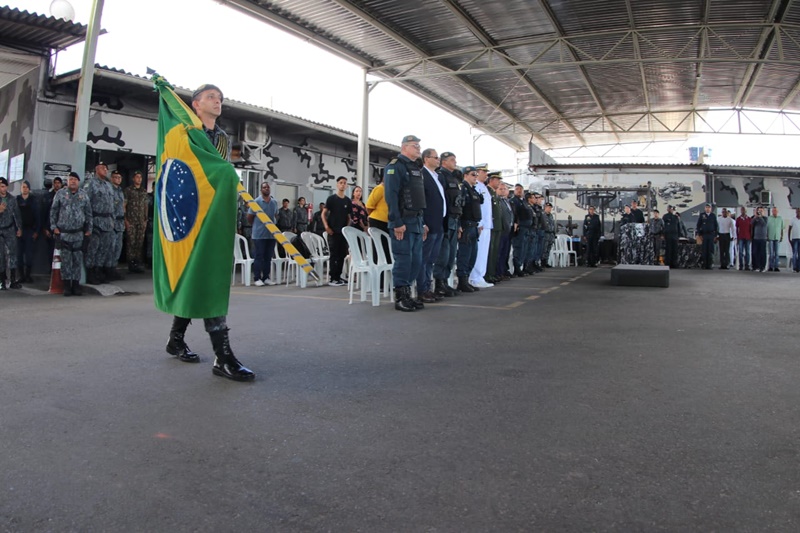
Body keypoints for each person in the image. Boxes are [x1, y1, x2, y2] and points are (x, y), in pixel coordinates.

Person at [162, 82, 254, 382]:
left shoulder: (222, 138)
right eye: (211, 97)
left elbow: (219, 173)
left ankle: (176, 339)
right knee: (205, 278)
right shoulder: (183, 132)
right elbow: (179, 172)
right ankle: (223, 356)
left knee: (199, 276)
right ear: (195, 104)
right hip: (190, 216)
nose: (218, 102)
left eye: (220, 98)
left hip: (214, 214)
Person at [384, 135, 425, 311]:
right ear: (404, 147)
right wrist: (397, 221)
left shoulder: (415, 168)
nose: (418, 148)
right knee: (403, 260)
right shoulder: (395, 167)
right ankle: (400, 297)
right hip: (403, 221)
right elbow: (391, 196)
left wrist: (422, 223)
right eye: (415, 146)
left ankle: (408, 294)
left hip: (416, 221)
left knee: (416, 260)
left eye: (419, 146)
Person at [50, 171, 92, 296]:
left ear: (78, 182)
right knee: (66, 261)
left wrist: (89, 229)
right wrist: (54, 227)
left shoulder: (84, 195)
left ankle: (76, 285)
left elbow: (89, 213)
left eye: (75, 179)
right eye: (71, 179)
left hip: (79, 233)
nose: (73, 181)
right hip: (64, 233)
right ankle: (67, 286)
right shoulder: (60, 194)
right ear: (67, 181)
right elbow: (53, 211)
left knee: (77, 260)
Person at [416, 148, 445, 304]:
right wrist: (423, 222)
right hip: (429, 224)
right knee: (424, 259)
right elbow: (421, 201)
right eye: (436, 157)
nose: (438, 159)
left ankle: (428, 288)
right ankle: (422, 290)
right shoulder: (422, 175)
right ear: (426, 159)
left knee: (431, 259)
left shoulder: (437, 177)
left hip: (439, 223)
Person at [432, 152, 461, 297]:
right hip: (446, 220)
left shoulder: (454, 177)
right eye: (452, 160)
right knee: (443, 254)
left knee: (451, 254)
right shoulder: (440, 176)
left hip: (455, 220)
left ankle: (445, 282)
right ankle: (439, 283)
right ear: (444, 162)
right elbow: (441, 200)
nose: (455, 162)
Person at [84, 162, 116, 285]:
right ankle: (90, 273)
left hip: (107, 221)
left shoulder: (108, 185)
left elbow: (112, 204)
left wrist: (112, 220)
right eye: (103, 168)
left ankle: (99, 271)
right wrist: (89, 223)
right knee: (93, 248)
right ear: (96, 170)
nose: (105, 170)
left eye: (106, 169)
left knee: (104, 248)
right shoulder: (90, 184)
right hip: (96, 220)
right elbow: (86, 205)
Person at [455, 166, 483, 293]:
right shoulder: (463, 188)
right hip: (466, 225)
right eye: (473, 174)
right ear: (465, 175)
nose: (475, 177)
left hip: (474, 225)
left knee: (472, 255)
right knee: (464, 255)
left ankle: (466, 279)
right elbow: (459, 207)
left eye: (476, 175)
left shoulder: (474, 190)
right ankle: (462, 281)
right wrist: (459, 224)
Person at [323, 176, 352, 286]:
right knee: (334, 254)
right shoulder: (331, 199)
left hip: (343, 232)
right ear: (337, 184)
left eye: (345, 183)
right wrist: (326, 227)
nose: (343, 185)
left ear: (347, 185)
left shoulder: (347, 201)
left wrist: (347, 229)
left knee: (342, 255)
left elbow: (349, 216)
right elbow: (323, 214)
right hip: (333, 231)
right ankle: (332, 278)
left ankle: (338, 276)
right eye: (341, 183)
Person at [247, 182, 278, 286]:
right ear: (261, 190)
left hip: (271, 234)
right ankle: (257, 278)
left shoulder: (274, 202)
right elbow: (250, 217)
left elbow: (275, 215)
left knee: (268, 257)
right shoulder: (256, 202)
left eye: (268, 187)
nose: (266, 189)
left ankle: (266, 277)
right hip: (259, 235)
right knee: (259, 256)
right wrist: (258, 226)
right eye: (264, 187)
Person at [469, 164, 493, 288]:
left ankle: (480, 276)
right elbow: (477, 207)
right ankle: (474, 278)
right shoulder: (476, 186)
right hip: (481, 225)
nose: (486, 174)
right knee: (478, 253)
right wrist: (480, 223)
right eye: (483, 172)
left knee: (484, 253)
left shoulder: (483, 187)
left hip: (487, 224)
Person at [124, 171, 148, 273]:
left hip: (141, 221)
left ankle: (138, 262)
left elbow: (145, 206)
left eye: (140, 177)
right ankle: (131, 263)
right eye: (137, 177)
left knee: (139, 242)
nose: (139, 179)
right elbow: (124, 205)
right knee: (131, 242)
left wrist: (145, 220)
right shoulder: (128, 190)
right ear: (133, 179)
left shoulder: (143, 191)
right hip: (131, 221)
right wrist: (125, 220)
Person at [15, 180, 40, 283]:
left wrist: (36, 231)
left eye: (26, 187)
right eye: (23, 187)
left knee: (29, 255)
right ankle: (21, 276)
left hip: (30, 231)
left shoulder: (33, 200)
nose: (24, 189)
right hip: (18, 231)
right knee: (19, 254)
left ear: (29, 189)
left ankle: (28, 275)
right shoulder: (17, 200)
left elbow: (38, 217)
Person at [0, 177, 22, 290]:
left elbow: (17, 214)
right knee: (1, 256)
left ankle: (13, 279)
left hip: (9, 229)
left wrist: (19, 228)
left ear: (6, 187)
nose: (1, 189)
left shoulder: (12, 199)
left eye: (3, 186)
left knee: (13, 253)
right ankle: (2, 281)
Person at [485, 171, 502, 283]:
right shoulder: (487, 191)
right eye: (497, 180)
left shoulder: (494, 193)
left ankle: (492, 273)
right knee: (490, 251)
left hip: (496, 226)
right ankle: (488, 274)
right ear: (491, 180)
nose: (499, 182)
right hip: (491, 225)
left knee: (495, 251)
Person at [41, 176, 63, 268]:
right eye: (55, 183)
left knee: (62, 252)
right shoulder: (48, 197)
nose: (57, 185)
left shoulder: (65, 196)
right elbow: (44, 214)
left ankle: (60, 271)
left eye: (58, 183)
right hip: (50, 228)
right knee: (51, 251)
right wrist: (45, 228)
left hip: (62, 228)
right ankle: (52, 270)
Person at [511, 189, 534, 276]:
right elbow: (514, 213)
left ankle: (522, 267)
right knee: (519, 248)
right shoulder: (514, 201)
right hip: (520, 228)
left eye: (521, 190)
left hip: (527, 229)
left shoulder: (523, 202)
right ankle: (517, 268)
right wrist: (516, 223)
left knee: (524, 249)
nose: (519, 191)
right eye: (517, 189)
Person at [495, 182, 514, 279]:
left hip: (508, 230)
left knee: (505, 253)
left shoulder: (507, 201)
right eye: (500, 189)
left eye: (504, 189)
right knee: (499, 252)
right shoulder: (497, 200)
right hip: (501, 230)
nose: (502, 191)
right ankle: (498, 272)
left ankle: (503, 271)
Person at [109, 170, 126, 280]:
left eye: (119, 177)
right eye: (115, 177)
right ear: (111, 178)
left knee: (118, 248)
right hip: (112, 221)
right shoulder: (109, 189)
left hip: (120, 222)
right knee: (111, 247)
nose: (117, 179)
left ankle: (114, 268)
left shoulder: (120, 191)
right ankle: (108, 269)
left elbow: (123, 205)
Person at [696, 203, 718, 270]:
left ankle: (710, 264)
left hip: (711, 235)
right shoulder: (702, 215)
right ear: (705, 208)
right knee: (704, 250)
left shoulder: (713, 216)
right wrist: (699, 235)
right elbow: (698, 225)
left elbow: (716, 226)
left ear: (711, 209)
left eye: (709, 207)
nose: (708, 209)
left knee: (710, 250)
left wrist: (715, 235)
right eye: (706, 207)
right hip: (704, 235)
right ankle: (704, 264)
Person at [767, 206, 784, 272]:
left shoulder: (780, 219)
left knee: (777, 253)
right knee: (771, 253)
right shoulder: (769, 218)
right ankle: (770, 266)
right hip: (770, 237)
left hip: (777, 237)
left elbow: (782, 228)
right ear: (772, 211)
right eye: (774, 211)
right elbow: (767, 228)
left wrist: (782, 236)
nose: (775, 212)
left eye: (776, 211)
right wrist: (767, 236)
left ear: (777, 212)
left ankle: (776, 266)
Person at [751, 206, 768, 272]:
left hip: (763, 238)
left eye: (761, 211)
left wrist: (760, 217)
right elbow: (751, 223)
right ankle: (755, 266)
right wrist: (755, 217)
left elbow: (764, 224)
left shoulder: (765, 218)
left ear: (764, 212)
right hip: (755, 238)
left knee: (762, 253)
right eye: (759, 211)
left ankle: (762, 267)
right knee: (755, 252)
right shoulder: (755, 218)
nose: (759, 212)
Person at [735, 206, 752, 270]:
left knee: (747, 252)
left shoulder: (749, 219)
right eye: (742, 210)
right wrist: (737, 237)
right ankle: (741, 265)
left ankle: (747, 265)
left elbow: (751, 229)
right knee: (740, 252)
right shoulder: (738, 219)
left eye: (744, 210)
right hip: (740, 238)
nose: (743, 211)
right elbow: (736, 229)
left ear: (746, 211)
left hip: (748, 237)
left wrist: (751, 237)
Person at [542, 201, 557, 266]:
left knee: (548, 248)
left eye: (550, 208)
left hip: (551, 234)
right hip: (545, 233)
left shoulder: (551, 215)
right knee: (544, 249)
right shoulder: (543, 215)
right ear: (545, 208)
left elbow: (553, 225)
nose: (549, 209)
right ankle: (542, 261)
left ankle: (546, 261)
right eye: (548, 207)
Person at [788, 208, 800, 272]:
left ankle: (799, 267)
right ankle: (794, 267)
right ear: (796, 212)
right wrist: (789, 239)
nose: (798, 213)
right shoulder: (793, 219)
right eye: (797, 212)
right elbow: (789, 229)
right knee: (795, 253)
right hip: (794, 239)